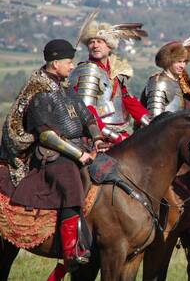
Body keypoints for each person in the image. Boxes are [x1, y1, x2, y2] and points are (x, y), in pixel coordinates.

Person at [0, 39, 104, 271]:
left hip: (79, 147)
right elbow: (46, 135)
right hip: (49, 153)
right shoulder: (38, 90)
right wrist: (80, 155)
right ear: (55, 63)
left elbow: (85, 115)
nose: (72, 65)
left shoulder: (63, 87)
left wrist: (97, 138)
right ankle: (72, 249)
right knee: (69, 181)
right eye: (68, 62)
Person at [70, 19, 151, 143]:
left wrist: (151, 122)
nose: (95, 45)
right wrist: (115, 137)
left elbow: (128, 101)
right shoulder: (88, 71)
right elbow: (87, 110)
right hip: (94, 135)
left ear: (109, 46)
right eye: (91, 42)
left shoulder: (116, 71)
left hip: (120, 130)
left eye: (99, 41)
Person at [141, 34, 190, 117]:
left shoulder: (181, 83)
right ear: (168, 60)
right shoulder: (159, 83)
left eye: (184, 62)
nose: (182, 66)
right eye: (179, 61)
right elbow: (155, 121)